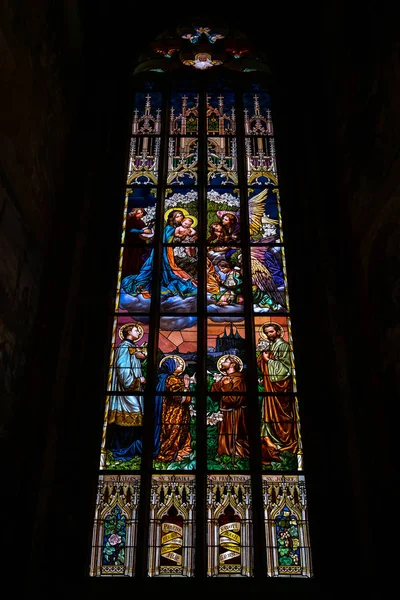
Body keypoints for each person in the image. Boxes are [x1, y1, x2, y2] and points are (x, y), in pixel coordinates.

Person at [121, 209, 198, 299]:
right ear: (171, 219)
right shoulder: (169, 228)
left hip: (172, 252)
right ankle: (145, 287)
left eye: (181, 216)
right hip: (165, 253)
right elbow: (171, 242)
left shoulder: (179, 228)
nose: (181, 217)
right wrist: (183, 236)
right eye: (178, 216)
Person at [256, 322, 298, 463]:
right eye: (267, 332)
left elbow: (286, 370)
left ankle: (284, 443)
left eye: (271, 332)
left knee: (282, 416)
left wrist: (268, 361)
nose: (269, 334)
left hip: (280, 389)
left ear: (279, 332)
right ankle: (268, 440)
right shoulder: (271, 346)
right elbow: (263, 364)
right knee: (267, 413)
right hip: (270, 388)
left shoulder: (284, 346)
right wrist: (263, 360)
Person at [106, 323, 147, 462]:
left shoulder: (131, 347)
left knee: (135, 415)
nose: (138, 332)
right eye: (136, 330)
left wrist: (139, 356)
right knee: (131, 414)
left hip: (132, 390)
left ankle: (128, 450)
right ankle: (121, 450)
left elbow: (132, 360)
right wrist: (136, 381)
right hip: (125, 390)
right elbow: (123, 369)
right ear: (129, 332)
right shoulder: (124, 347)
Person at [210, 355, 249, 461]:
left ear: (233, 365)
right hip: (225, 413)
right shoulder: (224, 379)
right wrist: (219, 384)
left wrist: (226, 385)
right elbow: (214, 396)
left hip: (235, 414)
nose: (222, 362)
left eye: (226, 361)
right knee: (224, 441)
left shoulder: (239, 379)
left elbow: (234, 400)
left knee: (234, 439)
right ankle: (224, 456)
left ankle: (235, 457)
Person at [156, 355, 193, 463]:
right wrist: (186, 386)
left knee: (178, 432)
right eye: (178, 364)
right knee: (173, 433)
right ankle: (170, 454)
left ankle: (178, 451)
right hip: (174, 413)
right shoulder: (172, 380)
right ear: (172, 368)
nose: (181, 365)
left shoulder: (173, 379)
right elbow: (180, 398)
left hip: (176, 411)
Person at [122, 207, 154, 276]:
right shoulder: (130, 221)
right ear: (134, 214)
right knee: (132, 258)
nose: (140, 214)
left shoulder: (141, 221)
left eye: (141, 213)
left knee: (139, 258)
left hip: (140, 243)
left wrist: (149, 228)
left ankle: (137, 271)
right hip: (132, 244)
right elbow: (131, 230)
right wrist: (142, 231)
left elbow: (145, 231)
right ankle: (130, 273)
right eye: (138, 213)